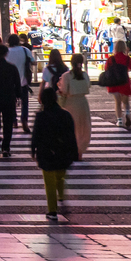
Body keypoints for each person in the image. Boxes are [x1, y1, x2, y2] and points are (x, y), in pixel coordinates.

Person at [30, 89, 81, 221]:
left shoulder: (41, 116)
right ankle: (62, 197)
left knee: (49, 182)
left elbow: (36, 135)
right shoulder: (65, 115)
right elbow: (71, 136)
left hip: (46, 152)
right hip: (63, 152)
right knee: (60, 176)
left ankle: (52, 211)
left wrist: (33, 150)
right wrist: (74, 153)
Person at [61, 52, 94, 159]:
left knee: (70, 128)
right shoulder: (84, 75)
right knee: (82, 128)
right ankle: (80, 152)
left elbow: (64, 90)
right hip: (83, 103)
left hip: (70, 104)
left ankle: (72, 150)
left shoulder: (66, 76)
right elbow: (88, 86)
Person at [5, 35, 35, 130]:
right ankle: (24, 120)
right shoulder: (25, 50)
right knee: (24, 102)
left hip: (10, 83)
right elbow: (33, 62)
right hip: (23, 81)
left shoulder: (7, 52)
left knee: (11, 102)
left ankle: (14, 120)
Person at [103, 42, 131, 128]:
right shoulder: (127, 58)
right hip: (125, 82)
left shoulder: (111, 59)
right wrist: (127, 55)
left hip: (114, 83)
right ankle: (127, 114)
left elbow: (106, 68)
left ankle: (119, 120)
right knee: (126, 102)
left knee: (117, 102)